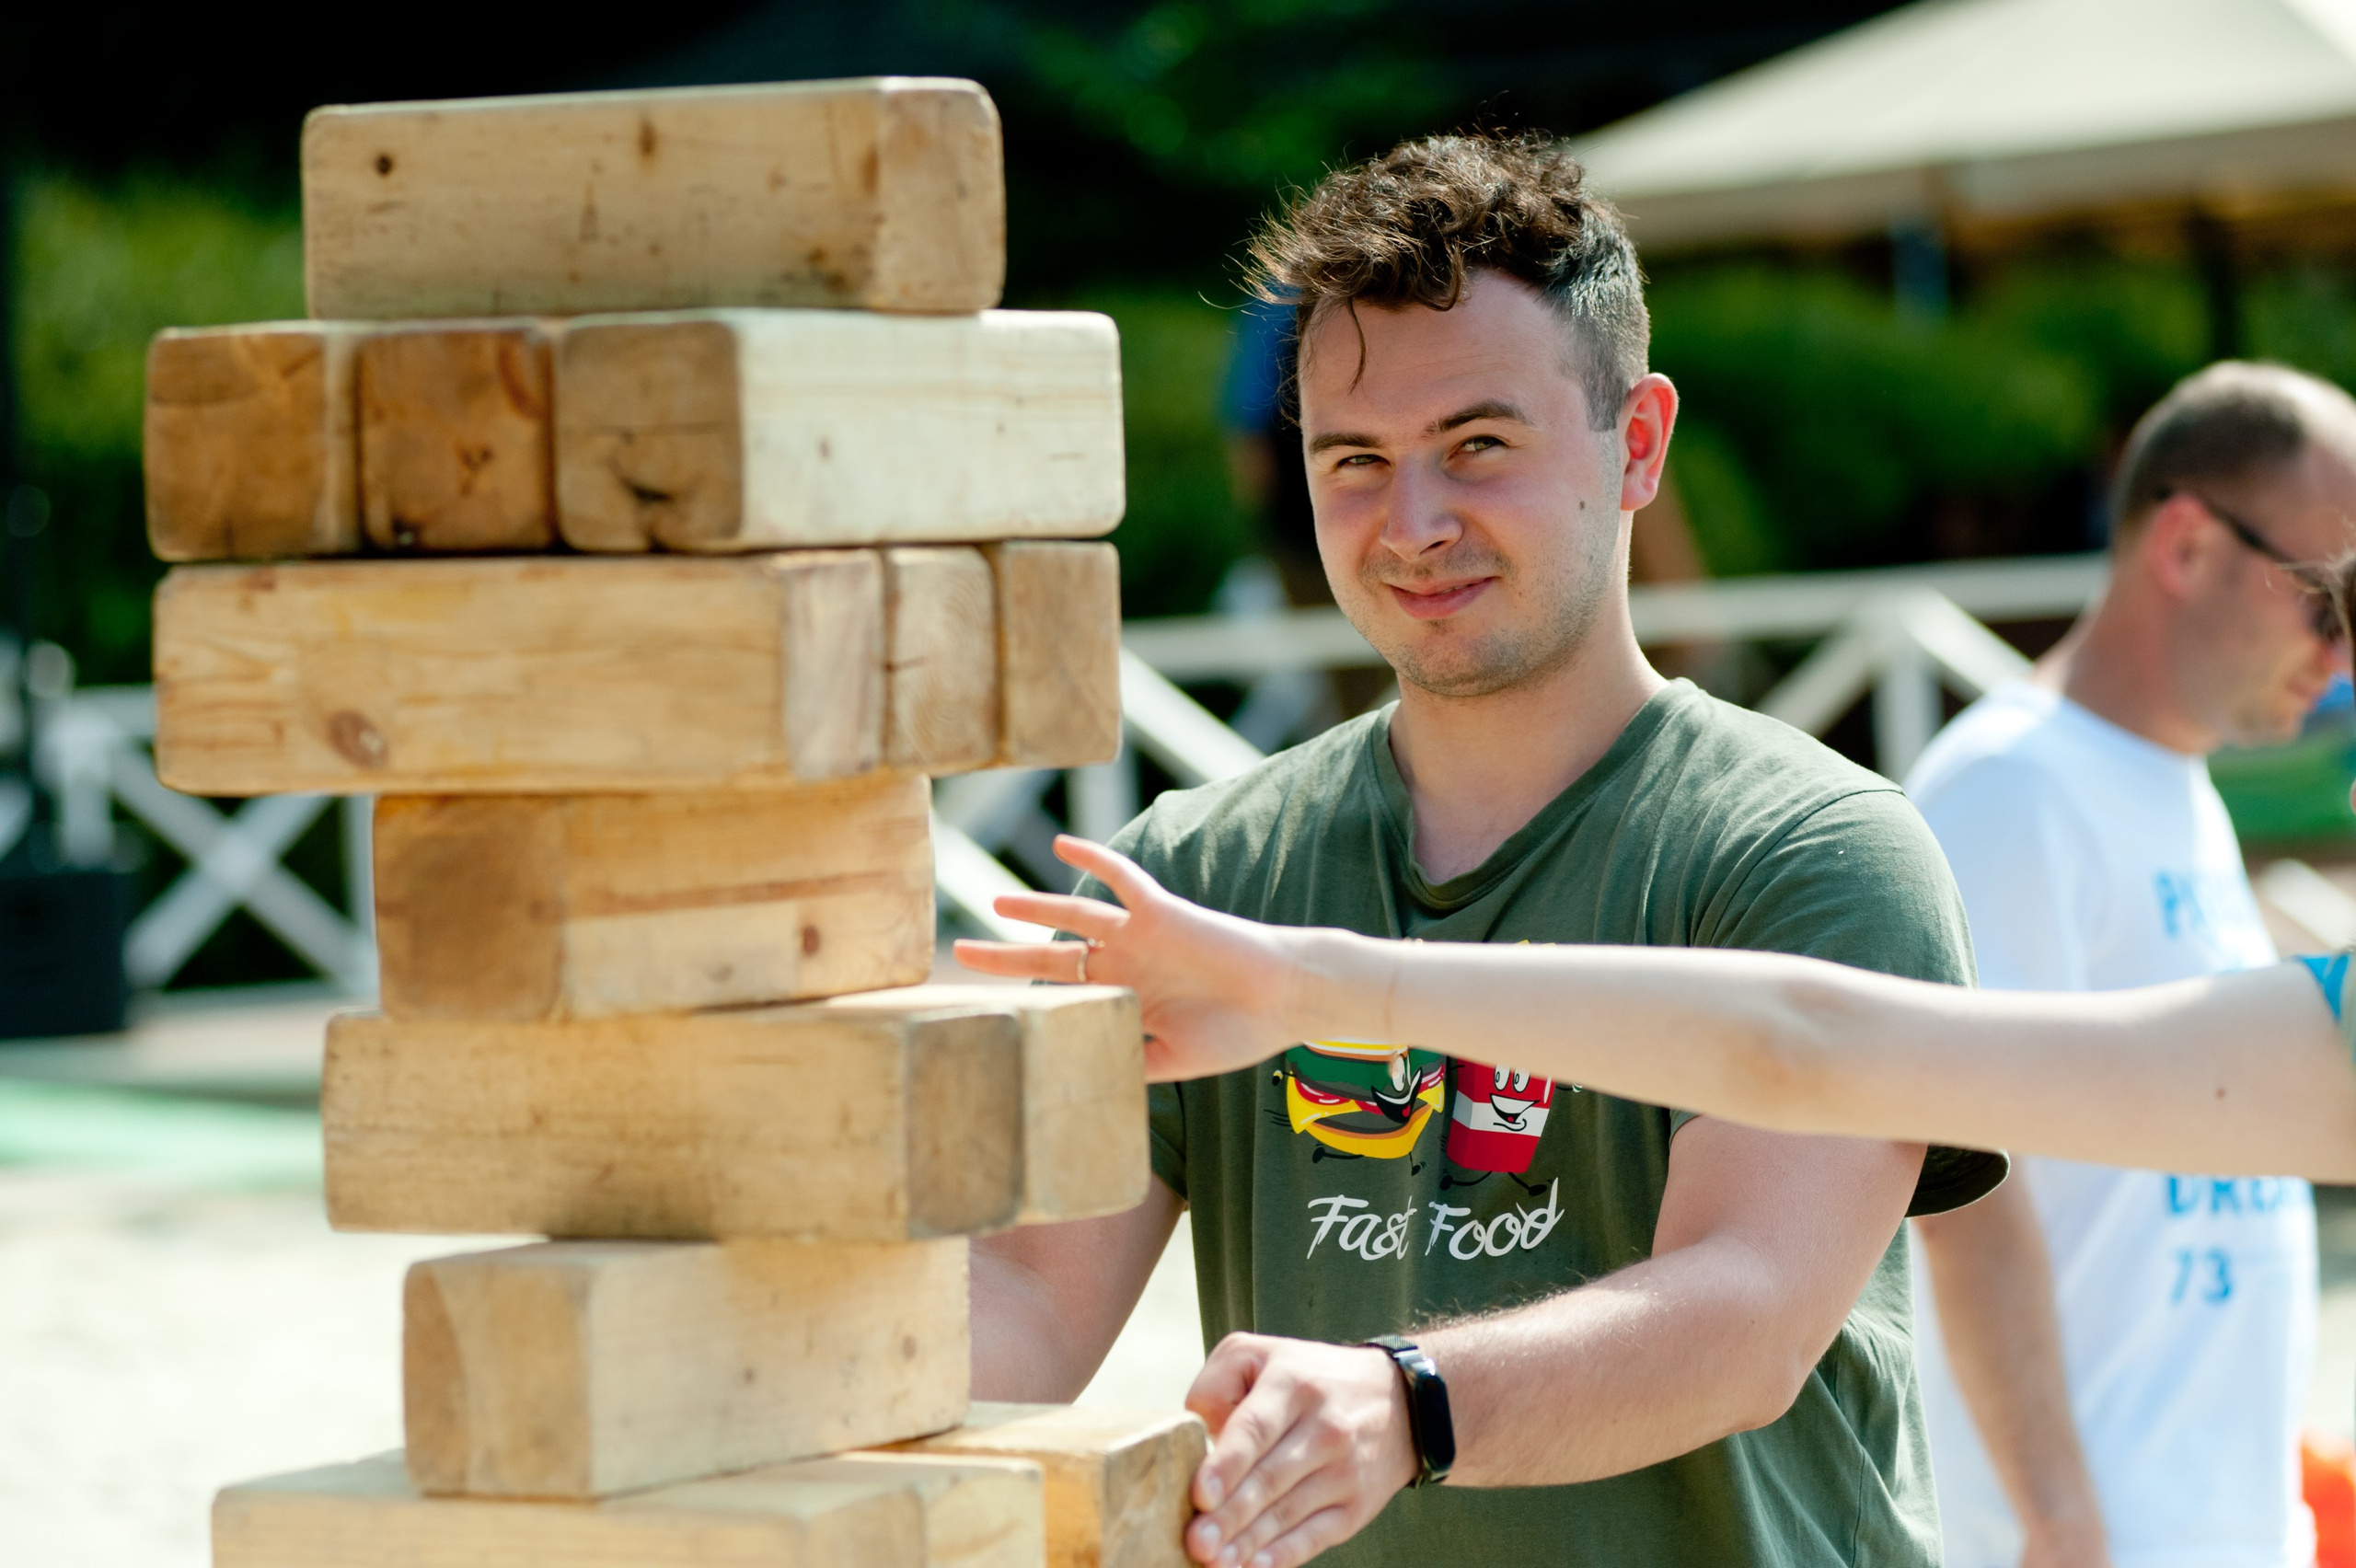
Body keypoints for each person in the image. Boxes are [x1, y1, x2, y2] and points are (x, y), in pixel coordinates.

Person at [967, 130, 2005, 1568]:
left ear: (1636, 445)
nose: (1413, 523)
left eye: (1478, 446)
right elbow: (1020, 1303)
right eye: (1355, 461)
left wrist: (1407, 1406)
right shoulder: (1197, 874)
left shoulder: (1817, 854)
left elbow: (1748, 1311)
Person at [1905, 363, 2356, 1568]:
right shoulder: (2012, 788)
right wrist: (2060, 1524)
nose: (2343, 650)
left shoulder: (2171, 780)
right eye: (2328, 599)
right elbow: (1962, 1189)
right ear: (2189, 544)